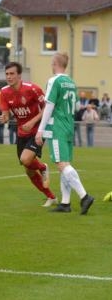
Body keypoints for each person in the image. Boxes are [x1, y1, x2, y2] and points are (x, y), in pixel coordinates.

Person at [35, 52, 94, 214]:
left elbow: (49, 107)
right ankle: (65, 203)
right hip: (69, 126)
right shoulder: (71, 82)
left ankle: (84, 196)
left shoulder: (54, 80)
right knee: (65, 164)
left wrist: (40, 130)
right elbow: (75, 108)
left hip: (57, 128)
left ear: (55, 63)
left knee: (61, 164)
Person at [0, 62, 57, 207]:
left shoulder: (33, 89)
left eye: (12, 74)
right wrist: (4, 118)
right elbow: (6, 114)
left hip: (38, 130)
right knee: (29, 170)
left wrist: (33, 122)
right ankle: (51, 197)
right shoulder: (4, 92)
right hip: (22, 132)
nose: (9, 77)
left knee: (26, 159)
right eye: (7, 74)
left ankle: (43, 167)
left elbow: (48, 108)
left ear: (19, 75)